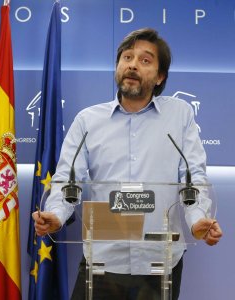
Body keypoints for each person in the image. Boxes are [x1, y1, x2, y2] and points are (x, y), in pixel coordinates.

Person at [33, 28, 222, 299]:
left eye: (145, 60)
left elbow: (192, 178)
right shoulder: (88, 121)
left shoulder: (179, 115)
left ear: (160, 77)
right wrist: (56, 215)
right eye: (127, 57)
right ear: (117, 66)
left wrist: (198, 220)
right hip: (102, 262)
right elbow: (67, 180)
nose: (133, 64)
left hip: (160, 262)